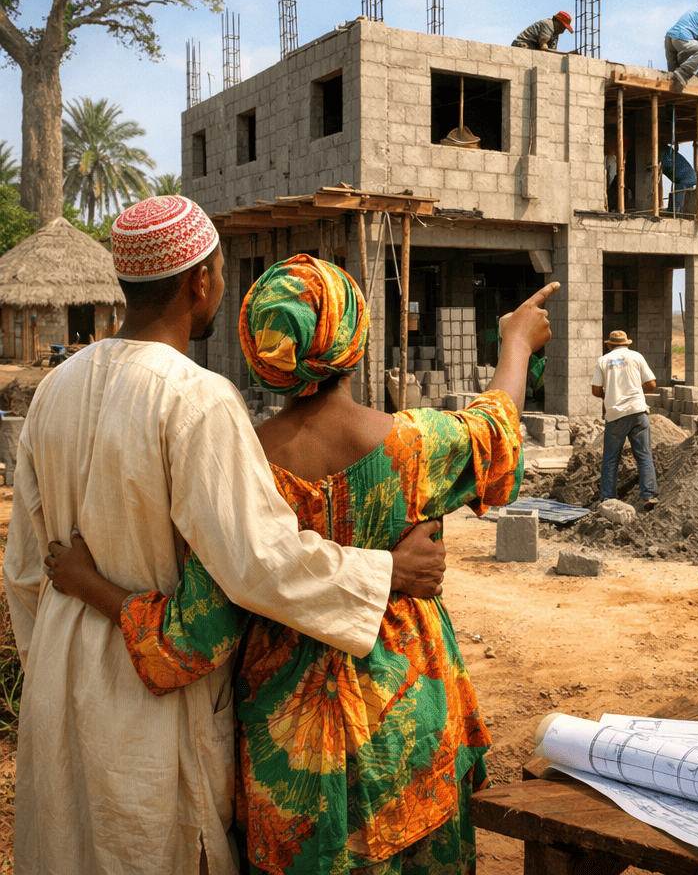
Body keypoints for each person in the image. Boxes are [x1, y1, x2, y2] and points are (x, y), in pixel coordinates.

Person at [46, 254, 561, 875]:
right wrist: (514, 343)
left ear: (262, 349)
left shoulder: (239, 470)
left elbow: (188, 639)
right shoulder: (416, 447)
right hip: (409, 727)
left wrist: (87, 584)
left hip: (285, 754)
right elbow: (496, 432)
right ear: (355, 338)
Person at [3, 197, 445, 875]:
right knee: (155, 847)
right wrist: (384, 572)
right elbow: (258, 562)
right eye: (218, 273)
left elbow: (27, 572)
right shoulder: (195, 397)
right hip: (152, 698)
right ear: (201, 281)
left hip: (62, 684)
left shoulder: (56, 388)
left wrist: (57, 665)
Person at [591, 330, 659, 509]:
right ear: (627, 344)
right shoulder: (636, 357)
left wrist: (612, 395)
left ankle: (607, 498)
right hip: (638, 411)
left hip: (616, 415)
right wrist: (634, 392)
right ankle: (649, 495)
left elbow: (596, 390)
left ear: (609, 345)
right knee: (644, 455)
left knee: (611, 458)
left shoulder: (603, 361)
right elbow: (652, 384)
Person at [657, 144, 698, 215]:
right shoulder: (670, 154)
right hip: (688, 178)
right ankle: (673, 210)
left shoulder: (667, 156)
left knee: (679, 189)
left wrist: (657, 170)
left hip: (686, 178)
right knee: (677, 190)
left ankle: (675, 211)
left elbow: (666, 166)